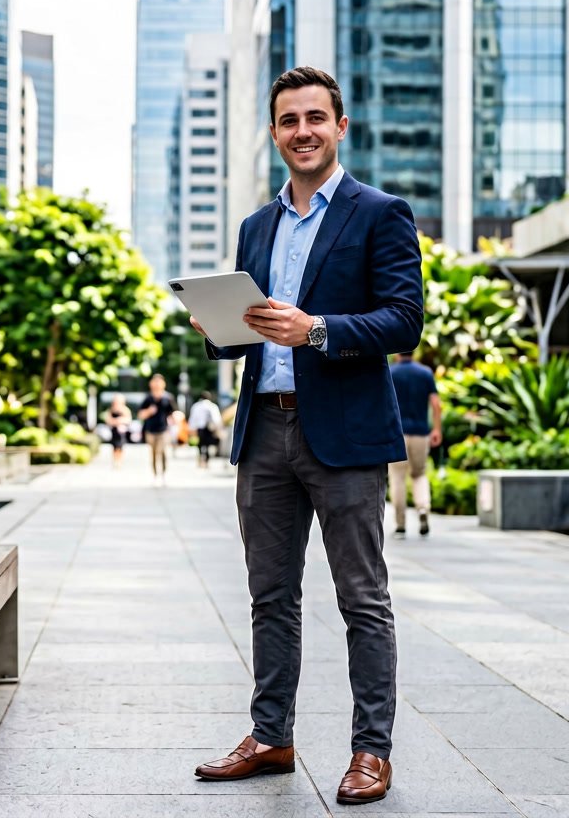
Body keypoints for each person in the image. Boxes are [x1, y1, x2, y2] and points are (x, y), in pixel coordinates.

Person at [190, 67, 423, 805]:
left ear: (341, 126)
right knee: (270, 597)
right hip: (264, 431)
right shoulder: (257, 226)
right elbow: (250, 334)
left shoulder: (381, 212)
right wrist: (216, 330)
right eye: (289, 120)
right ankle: (271, 737)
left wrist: (317, 329)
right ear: (274, 133)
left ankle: (371, 752)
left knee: (362, 598)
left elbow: (403, 319)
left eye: (316, 118)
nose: (303, 131)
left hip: (346, 434)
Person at [389, 352, 442, 537]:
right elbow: (436, 404)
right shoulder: (425, 373)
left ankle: (400, 524)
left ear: (397, 353)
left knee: (397, 477)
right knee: (419, 474)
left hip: (397, 434)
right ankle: (423, 508)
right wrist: (436, 429)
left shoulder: (390, 372)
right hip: (421, 433)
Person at [137, 374, 175, 485]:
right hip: (150, 430)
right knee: (153, 453)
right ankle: (155, 475)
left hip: (163, 430)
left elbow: (174, 413)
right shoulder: (148, 398)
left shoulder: (168, 398)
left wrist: (175, 419)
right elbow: (140, 415)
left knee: (162, 451)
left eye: (159, 382)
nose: (157, 384)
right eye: (155, 382)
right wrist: (149, 411)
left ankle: (163, 474)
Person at [188, 390, 223, 468]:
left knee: (200, 445)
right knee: (207, 445)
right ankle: (207, 460)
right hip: (209, 428)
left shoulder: (196, 406)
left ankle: (201, 459)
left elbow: (193, 418)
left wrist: (191, 428)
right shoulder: (212, 406)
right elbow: (216, 419)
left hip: (199, 428)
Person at [104, 393, 131, 469]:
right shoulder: (111, 410)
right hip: (114, 431)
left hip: (122, 432)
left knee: (121, 447)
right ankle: (115, 461)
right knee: (114, 447)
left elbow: (128, 420)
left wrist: (119, 421)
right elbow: (108, 420)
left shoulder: (125, 410)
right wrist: (116, 422)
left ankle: (120, 461)